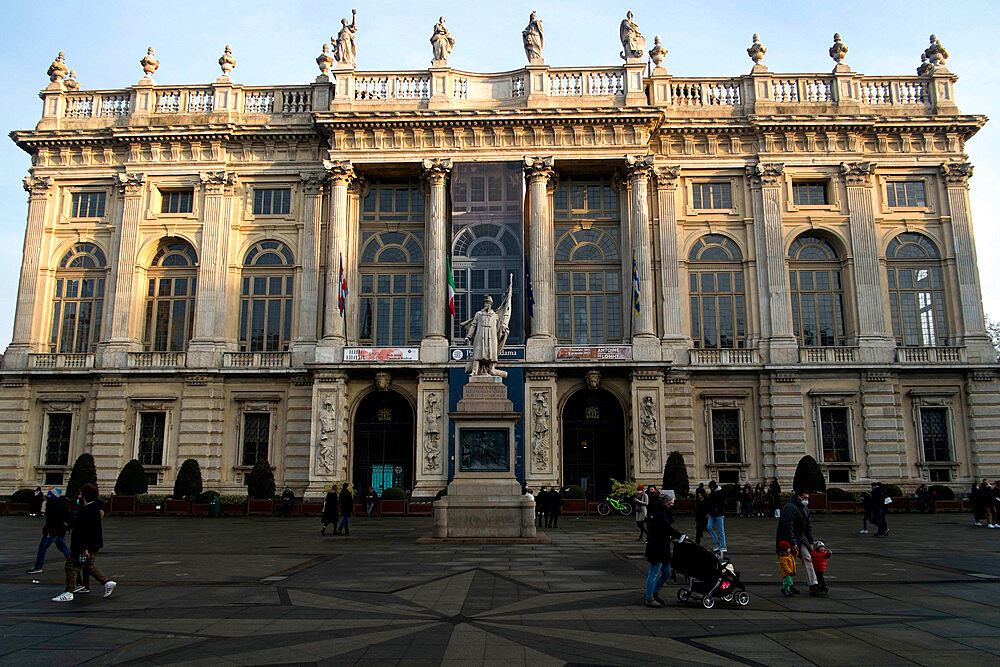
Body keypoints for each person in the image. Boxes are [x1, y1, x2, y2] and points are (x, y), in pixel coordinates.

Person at [52, 483, 116, 602]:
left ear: (85, 496)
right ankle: (107, 583)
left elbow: (85, 530)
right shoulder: (94, 509)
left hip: (83, 545)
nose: (79, 496)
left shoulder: (87, 511)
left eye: (80, 494)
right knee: (88, 566)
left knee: (71, 566)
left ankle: (68, 592)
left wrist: (84, 548)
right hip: (93, 544)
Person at [643, 488, 686, 607]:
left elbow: (665, 530)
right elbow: (668, 528)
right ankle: (649, 597)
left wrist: (670, 535)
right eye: (671, 503)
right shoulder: (660, 515)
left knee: (667, 573)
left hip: (663, 548)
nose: (672, 505)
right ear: (666, 504)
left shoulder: (663, 514)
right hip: (656, 548)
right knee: (654, 572)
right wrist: (681, 535)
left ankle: (655, 591)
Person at [777, 489, 821, 595]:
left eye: (807, 498)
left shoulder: (805, 509)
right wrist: (792, 543)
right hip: (788, 540)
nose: (806, 500)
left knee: (807, 557)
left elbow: (808, 527)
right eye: (804, 498)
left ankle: (813, 584)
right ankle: (788, 584)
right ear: (798, 497)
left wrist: (810, 541)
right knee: (789, 561)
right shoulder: (789, 508)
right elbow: (788, 527)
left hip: (801, 538)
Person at [27, 488, 71, 574]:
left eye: (49, 495)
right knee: (62, 546)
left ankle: (38, 567)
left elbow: (51, 520)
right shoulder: (61, 504)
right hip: (61, 530)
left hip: (53, 531)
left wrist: (48, 532)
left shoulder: (52, 505)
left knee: (43, 547)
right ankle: (75, 562)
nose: (48, 496)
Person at [705, 480, 727, 553]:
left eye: (711, 487)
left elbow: (724, 503)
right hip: (712, 513)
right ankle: (717, 543)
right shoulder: (713, 493)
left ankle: (723, 545)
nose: (710, 489)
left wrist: (718, 509)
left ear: (713, 487)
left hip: (719, 514)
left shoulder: (720, 493)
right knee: (709, 527)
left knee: (721, 530)